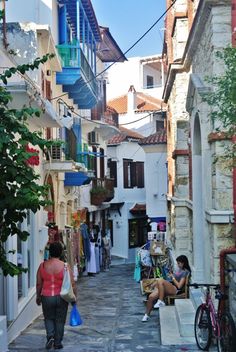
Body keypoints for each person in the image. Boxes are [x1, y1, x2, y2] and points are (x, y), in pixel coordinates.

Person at [36, 242, 76, 349]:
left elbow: (39, 283)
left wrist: (38, 296)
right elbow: (72, 283)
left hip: (47, 296)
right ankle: (58, 342)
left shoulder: (42, 266)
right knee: (60, 320)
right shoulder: (65, 267)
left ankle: (50, 337)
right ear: (61, 252)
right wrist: (74, 298)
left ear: (50, 252)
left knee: (48, 318)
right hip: (61, 297)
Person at [142, 255, 191, 322]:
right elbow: (175, 277)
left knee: (160, 280)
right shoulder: (180, 270)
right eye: (177, 263)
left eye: (179, 263)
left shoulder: (185, 272)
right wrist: (171, 275)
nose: (178, 265)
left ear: (183, 263)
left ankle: (161, 301)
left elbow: (179, 286)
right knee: (151, 297)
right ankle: (146, 315)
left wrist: (173, 278)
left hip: (176, 289)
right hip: (171, 286)